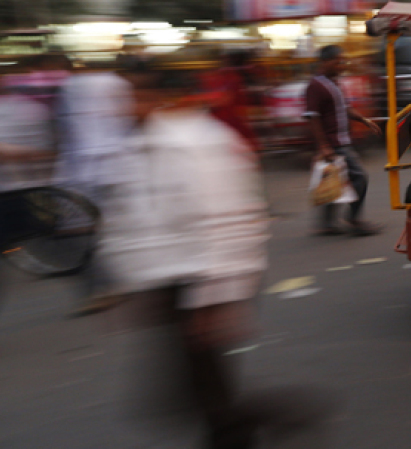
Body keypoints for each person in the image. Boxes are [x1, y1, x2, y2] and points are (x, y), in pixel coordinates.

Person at [102, 56, 334, 448]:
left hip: (203, 282)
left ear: (156, 96)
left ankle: (290, 412)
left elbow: (232, 219)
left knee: (203, 391)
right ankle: (263, 423)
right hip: (167, 284)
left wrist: (221, 297)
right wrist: (129, 284)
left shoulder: (198, 142)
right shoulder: (134, 149)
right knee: (193, 392)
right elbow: (131, 222)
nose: (123, 107)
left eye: (133, 96)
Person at [54, 54, 136, 316]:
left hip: (85, 171)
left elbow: (65, 131)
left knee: (79, 234)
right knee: (104, 231)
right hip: (112, 167)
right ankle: (112, 283)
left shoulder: (70, 87)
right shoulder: (117, 83)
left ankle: (104, 287)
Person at [304, 45, 382, 237]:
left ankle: (327, 224)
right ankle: (354, 220)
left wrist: (364, 120)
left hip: (341, 140)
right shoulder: (315, 86)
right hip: (334, 143)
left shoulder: (334, 83)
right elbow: (312, 117)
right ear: (325, 62)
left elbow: (345, 108)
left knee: (334, 180)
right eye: (338, 61)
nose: (342, 65)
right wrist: (323, 146)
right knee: (359, 177)